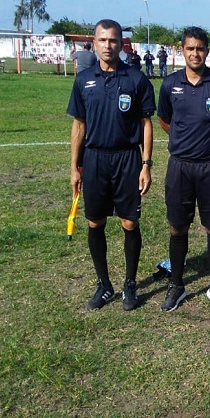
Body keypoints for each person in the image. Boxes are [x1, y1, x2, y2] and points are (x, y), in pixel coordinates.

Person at [66, 19, 156, 311]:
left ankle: (130, 283)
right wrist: (73, 167)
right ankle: (104, 284)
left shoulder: (136, 79)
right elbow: (79, 126)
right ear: (94, 43)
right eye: (103, 40)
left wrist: (146, 164)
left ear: (121, 43)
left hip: (127, 158)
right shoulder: (83, 79)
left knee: (130, 222)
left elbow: (146, 123)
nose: (108, 45)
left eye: (113, 40)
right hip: (94, 159)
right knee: (95, 221)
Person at [157, 27, 210, 313]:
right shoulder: (170, 84)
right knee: (177, 226)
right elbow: (164, 120)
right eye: (190, 48)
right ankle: (177, 285)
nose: (195, 53)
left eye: (200, 48)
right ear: (182, 50)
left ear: (208, 51)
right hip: (180, 167)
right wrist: (182, 139)